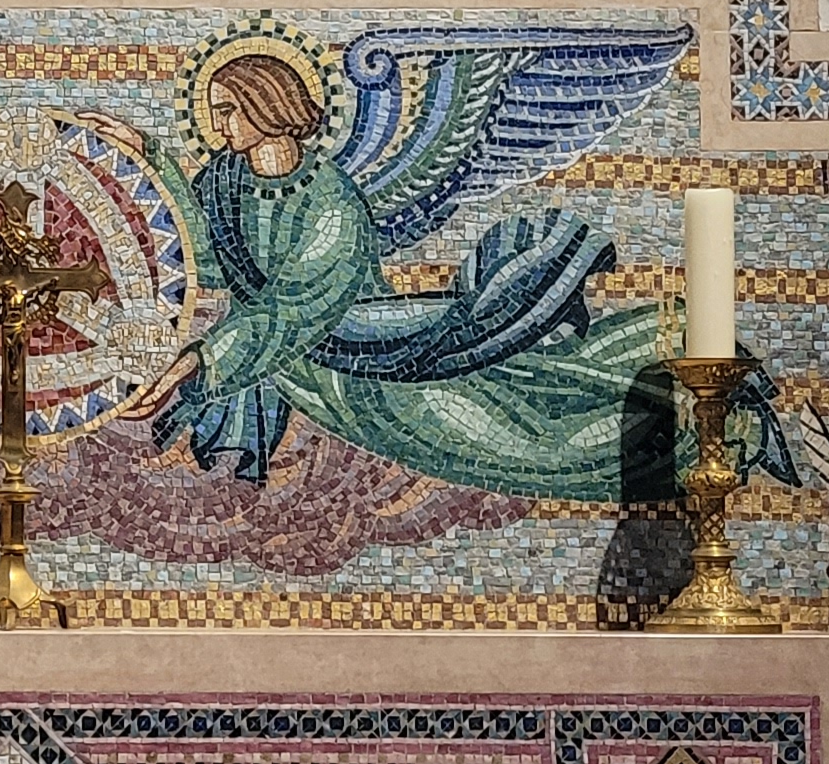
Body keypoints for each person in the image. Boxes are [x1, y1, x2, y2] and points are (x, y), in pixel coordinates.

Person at [93, 52, 651, 500]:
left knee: (504, 436)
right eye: (215, 111)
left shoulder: (331, 203)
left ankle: (643, 433)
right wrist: (148, 156)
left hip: (365, 351)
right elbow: (203, 253)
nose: (218, 124)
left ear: (268, 108)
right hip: (280, 355)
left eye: (229, 109)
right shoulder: (223, 179)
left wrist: (195, 364)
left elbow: (296, 309)